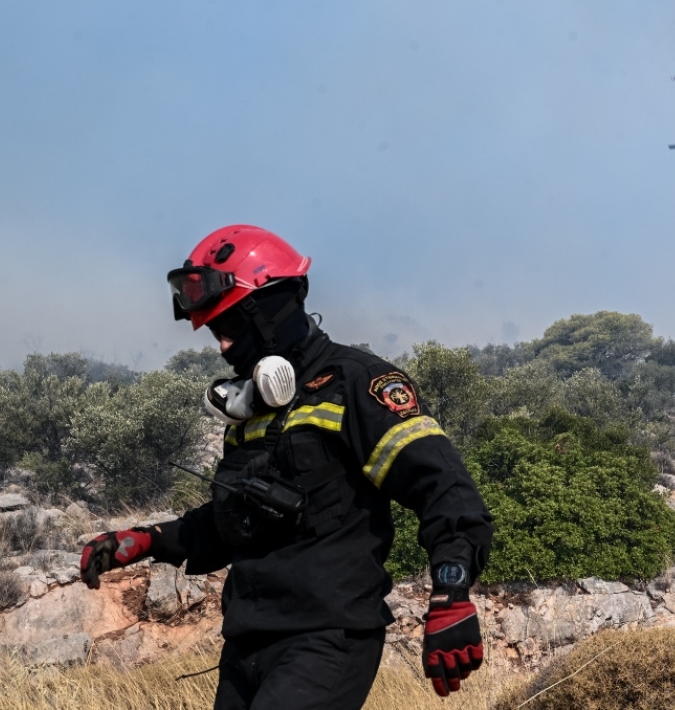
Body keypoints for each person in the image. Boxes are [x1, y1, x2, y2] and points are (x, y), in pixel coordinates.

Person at [78, 225, 494, 709]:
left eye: (231, 328)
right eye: (216, 333)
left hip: (326, 639)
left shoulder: (359, 384)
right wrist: (149, 540)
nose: (224, 347)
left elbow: (445, 491)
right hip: (247, 641)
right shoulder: (252, 410)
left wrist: (451, 594)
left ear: (273, 309)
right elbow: (236, 522)